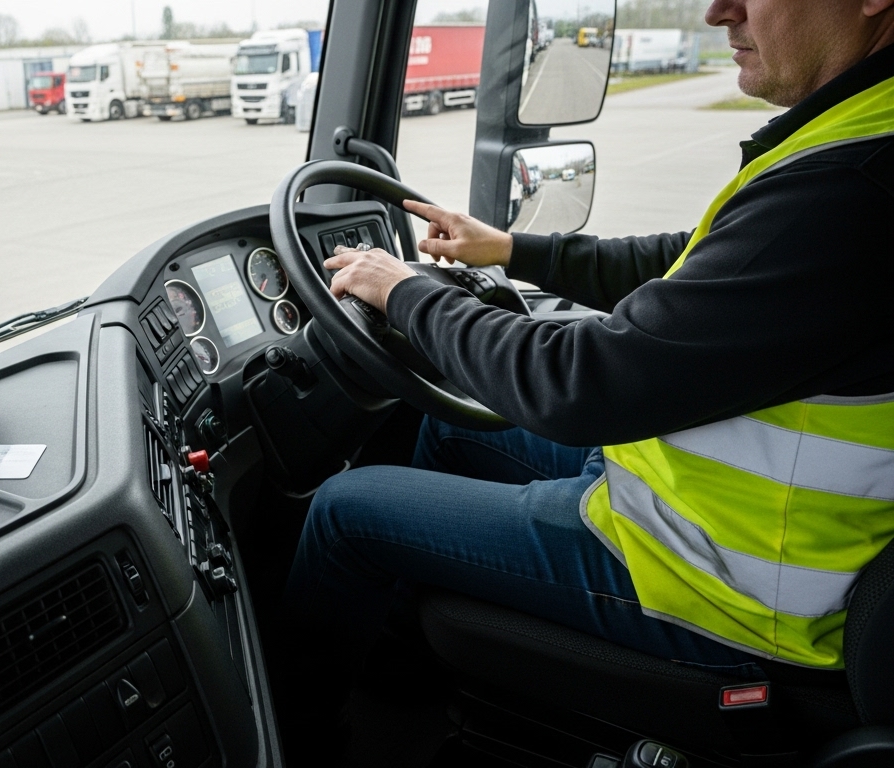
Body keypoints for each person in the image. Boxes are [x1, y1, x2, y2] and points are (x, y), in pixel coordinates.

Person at [280, 0, 894, 734]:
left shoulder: (858, 184)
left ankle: (293, 735)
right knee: (439, 425)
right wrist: (512, 250)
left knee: (347, 511)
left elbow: (579, 384)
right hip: (695, 506)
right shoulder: (856, 129)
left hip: (731, 587)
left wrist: (405, 293)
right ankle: (414, 676)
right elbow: (694, 268)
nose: (716, 11)